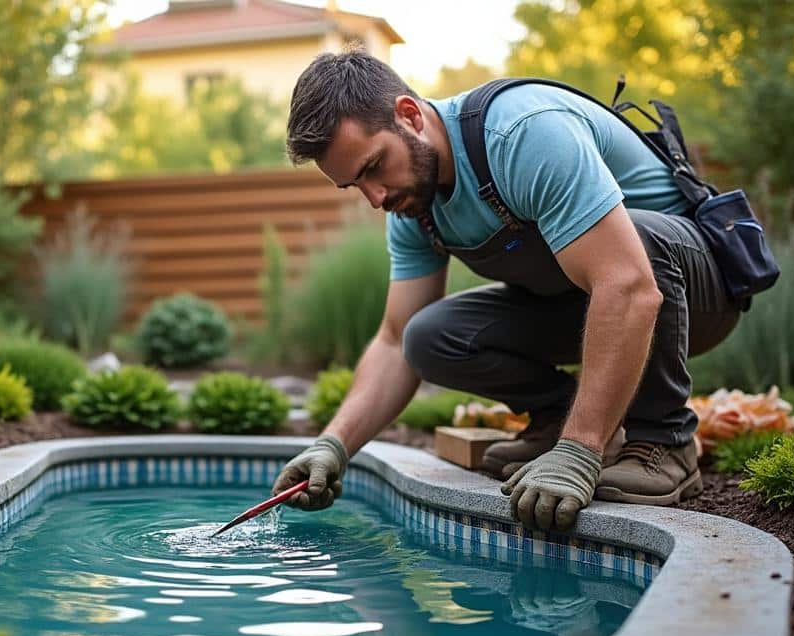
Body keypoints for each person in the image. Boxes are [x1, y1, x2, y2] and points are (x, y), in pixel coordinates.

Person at [271, 49, 747, 531]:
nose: (376, 198)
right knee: (428, 335)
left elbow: (627, 285)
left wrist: (580, 452)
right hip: (590, 305)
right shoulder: (414, 202)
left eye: (375, 166)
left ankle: (663, 441)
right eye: (355, 185)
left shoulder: (520, 134)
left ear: (409, 116)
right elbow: (394, 341)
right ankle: (557, 423)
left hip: (693, 294)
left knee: (632, 244)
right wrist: (333, 445)